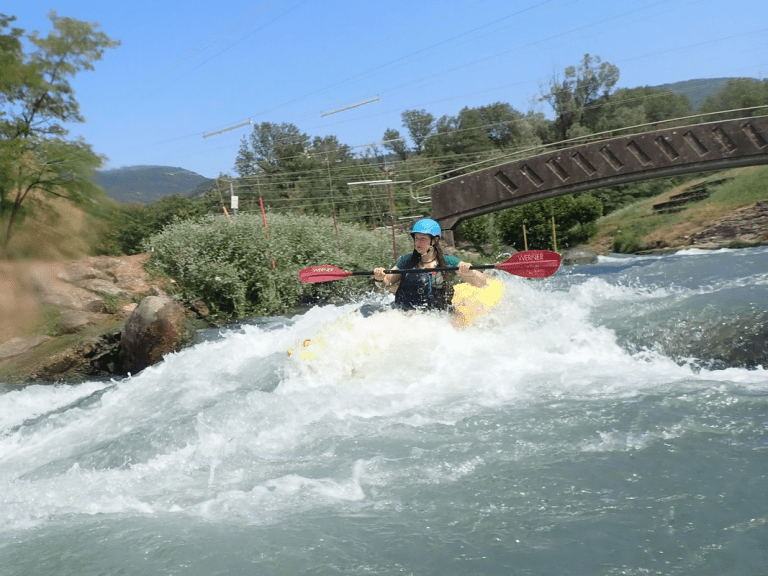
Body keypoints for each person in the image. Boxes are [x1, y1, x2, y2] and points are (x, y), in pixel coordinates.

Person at [373, 219, 487, 311]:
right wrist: (379, 279)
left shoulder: (447, 261)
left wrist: (470, 272)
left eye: (423, 239)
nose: (418, 242)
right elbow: (386, 282)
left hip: (435, 317)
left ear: (434, 240)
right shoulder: (407, 261)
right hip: (406, 316)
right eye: (416, 238)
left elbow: (481, 283)